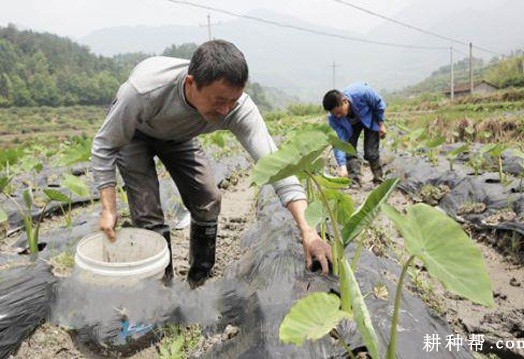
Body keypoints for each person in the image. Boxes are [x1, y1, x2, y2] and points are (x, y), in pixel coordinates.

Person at [91, 40, 332, 288]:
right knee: (148, 214)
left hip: (179, 137)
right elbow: (104, 145)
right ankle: (161, 291)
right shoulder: (143, 91)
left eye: (233, 101)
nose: (226, 110)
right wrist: (108, 209)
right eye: (218, 101)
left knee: (208, 198)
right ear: (190, 84)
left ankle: (199, 281)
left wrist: (309, 231)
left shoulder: (237, 108)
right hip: (134, 137)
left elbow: (277, 166)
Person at [322, 83, 387, 185]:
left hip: (369, 119)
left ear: (345, 101)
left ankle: (378, 179)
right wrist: (343, 166)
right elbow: (339, 142)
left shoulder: (361, 92)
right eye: (335, 114)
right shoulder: (333, 118)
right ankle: (355, 181)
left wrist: (381, 123)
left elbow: (378, 104)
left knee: (371, 152)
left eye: (339, 112)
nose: (338, 116)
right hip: (351, 127)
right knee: (349, 150)